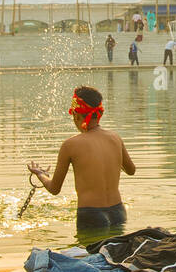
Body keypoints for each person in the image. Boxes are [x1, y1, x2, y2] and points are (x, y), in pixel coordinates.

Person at [28, 87, 135, 232]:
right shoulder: (115, 138)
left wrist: (41, 175)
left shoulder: (71, 145)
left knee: (87, 254)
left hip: (91, 215)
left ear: (77, 116)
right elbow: (131, 170)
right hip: (118, 213)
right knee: (115, 253)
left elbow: (54, 189)